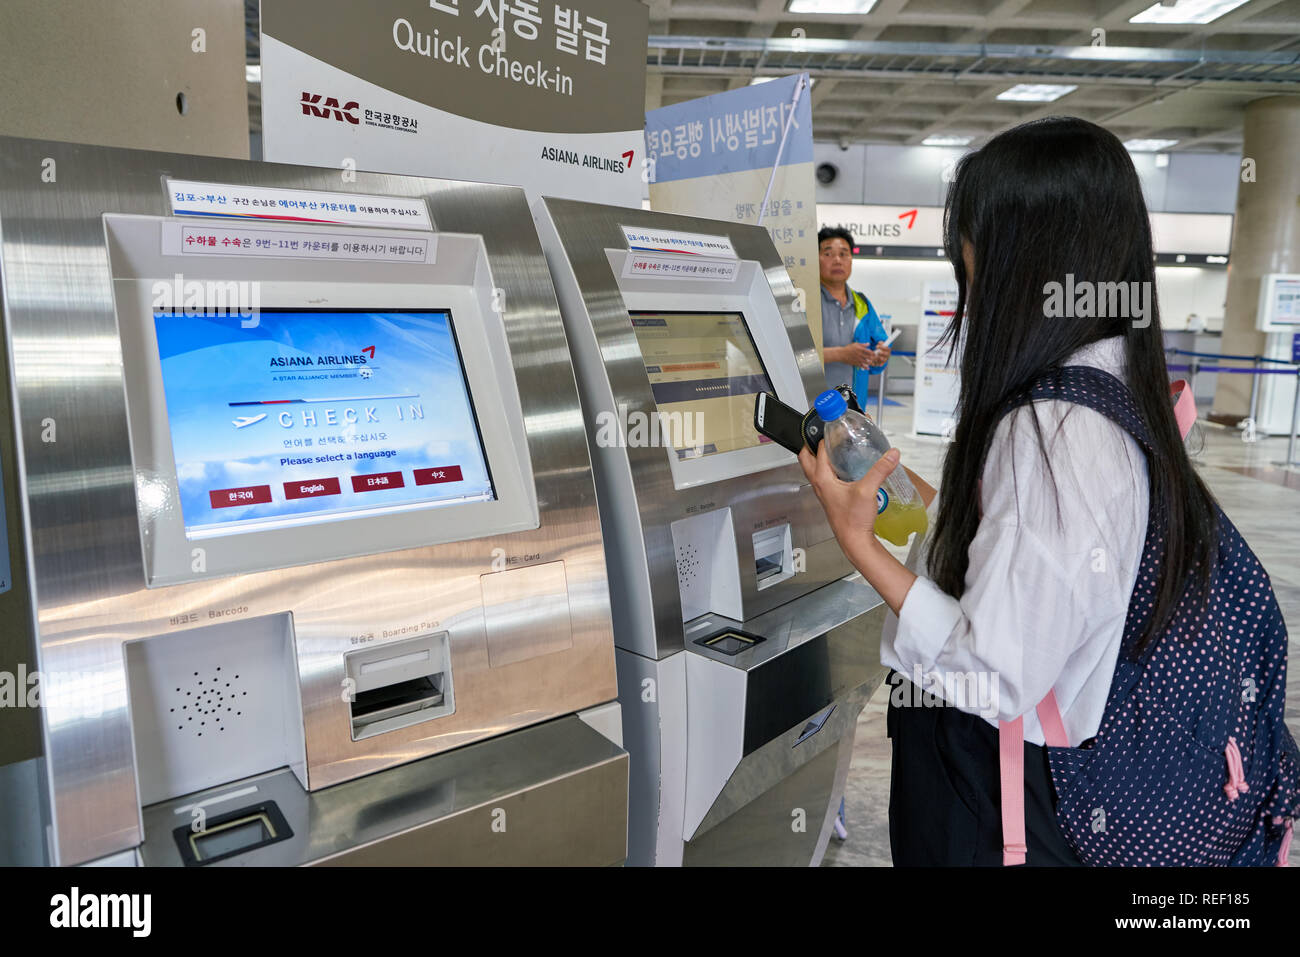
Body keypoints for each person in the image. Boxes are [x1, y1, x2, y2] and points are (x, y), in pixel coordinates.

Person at [800, 117, 1226, 865]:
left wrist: (859, 543)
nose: (964, 264)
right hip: (1043, 779)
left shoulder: (1053, 431)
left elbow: (991, 672)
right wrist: (921, 497)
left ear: (1019, 253)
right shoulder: (1115, 380)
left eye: (970, 241)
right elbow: (1029, 556)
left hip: (992, 788)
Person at [819, 227, 890, 401]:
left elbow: (878, 349)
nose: (837, 260)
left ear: (851, 260)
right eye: (828, 254)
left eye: (844, 254)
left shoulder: (862, 304)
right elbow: (789, 356)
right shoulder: (804, 301)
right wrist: (840, 354)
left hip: (854, 409)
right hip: (811, 410)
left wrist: (879, 357)